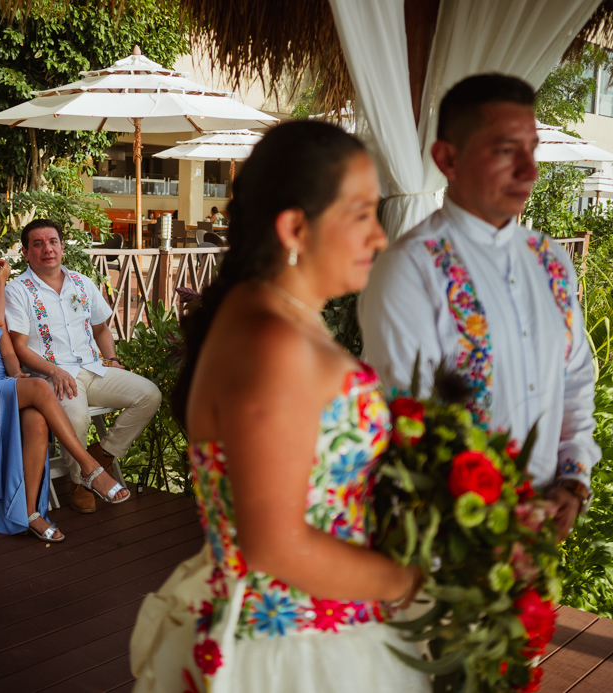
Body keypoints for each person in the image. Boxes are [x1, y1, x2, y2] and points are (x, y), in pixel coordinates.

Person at [130, 121, 429, 693]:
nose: (380, 237)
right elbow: (273, 543)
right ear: (295, 226)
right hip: (291, 639)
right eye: (362, 214)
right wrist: (416, 582)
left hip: (310, 616)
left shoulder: (268, 316)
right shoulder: (273, 342)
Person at [359, 73, 600, 542]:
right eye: (507, 150)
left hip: (537, 533)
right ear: (448, 158)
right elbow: (408, 422)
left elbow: (574, 380)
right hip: (441, 544)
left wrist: (573, 482)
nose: (529, 171)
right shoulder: (411, 269)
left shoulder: (550, 261)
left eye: (532, 150)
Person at [0, 235, 130, 541]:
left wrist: (15, 375)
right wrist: (2, 281)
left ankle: (30, 512)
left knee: (37, 421)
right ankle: (90, 467)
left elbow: (8, 351)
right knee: (39, 387)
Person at [5, 219, 161, 514]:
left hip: (94, 368)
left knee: (149, 394)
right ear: (26, 252)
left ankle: (102, 455)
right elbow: (19, 348)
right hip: (53, 376)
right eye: (37, 244)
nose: (47, 249)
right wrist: (53, 370)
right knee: (76, 420)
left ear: (62, 247)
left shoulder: (82, 282)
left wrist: (112, 360)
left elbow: (101, 329)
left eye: (52, 242)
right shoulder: (18, 290)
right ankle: (79, 481)